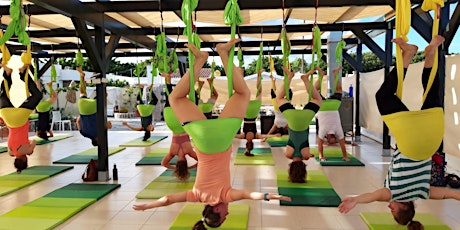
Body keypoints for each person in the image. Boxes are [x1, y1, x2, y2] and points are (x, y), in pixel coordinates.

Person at [133, 39, 291, 229]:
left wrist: (268, 196)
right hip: (201, 137)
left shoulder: (224, 195)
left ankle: (223, 52)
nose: (228, 212)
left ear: (216, 210)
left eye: (224, 216)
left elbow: (248, 195)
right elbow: (169, 199)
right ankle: (201, 59)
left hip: (221, 139)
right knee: (176, 97)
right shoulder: (197, 195)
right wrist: (148, 206)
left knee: (242, 94)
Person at [338, 36, 448, 229]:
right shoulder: (394, 193)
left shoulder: (423, 192)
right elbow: (373, 197)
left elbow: (449, 194)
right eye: (393, 210)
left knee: (432, 90)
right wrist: (355, 200)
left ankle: (430, 53)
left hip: (433, 139)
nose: (389, 206)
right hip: (411, 143)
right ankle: (409, 54)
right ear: (403, 206)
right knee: (384, 96)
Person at [277, 67, 322, 183]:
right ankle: (289, 77)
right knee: (279, 98)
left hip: (304, 120)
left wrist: (307, 155)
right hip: (292, 120)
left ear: (304, 168)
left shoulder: (306, 155)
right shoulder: (288, 154)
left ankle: (305, 79)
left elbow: (305, 150)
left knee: (317, 99)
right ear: (290, 168)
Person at [0, 63, 43, 173]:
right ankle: (7, 73)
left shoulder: (26, 151)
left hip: (19, 119)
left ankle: (23, 73)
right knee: (3, 94)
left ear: (25, 160)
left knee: (37, 96)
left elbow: (34, 141)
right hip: (7, 117)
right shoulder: (10, 152)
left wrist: (30, 150)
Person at [160, 71, 198, 181]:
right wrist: (173, 168)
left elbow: (201, 161)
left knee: (193, 104)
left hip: (183, 124)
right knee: (170, 98)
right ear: (177, 164)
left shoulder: (189, 152)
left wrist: (191, 167)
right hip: (172, 122)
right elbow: (164, 164)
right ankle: (168, 79)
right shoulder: (172, 153)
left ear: (186, 163)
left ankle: (191, 82)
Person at [314, 66, 350, 162]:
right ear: (327, 138)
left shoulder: (338, 132)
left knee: (338, 89)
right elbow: (320, 145)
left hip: (333, 106)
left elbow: (342, 145)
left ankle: (333, 74)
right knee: (314, 91)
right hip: (324, 107)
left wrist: (345, 156)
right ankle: (324, 75)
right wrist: (321, 156)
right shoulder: (324, 131)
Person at [76, 69, 112, 146]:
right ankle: (82, 76)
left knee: (104, 93)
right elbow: (78, 121)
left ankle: (97, 78)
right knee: (82, 92)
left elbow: (109, 124)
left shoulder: (100, 132)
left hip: (93, 109)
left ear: (97, 140)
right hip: (83, 109)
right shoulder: (84, 133)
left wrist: (108, 126)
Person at [237, 68, 264, 156]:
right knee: (241, 93)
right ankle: (240, 74)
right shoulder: (242, 137)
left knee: (259, 92)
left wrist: (276, 135)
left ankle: (259, 74)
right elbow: (232, 136)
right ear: (246, 144)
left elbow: (266, 136)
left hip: (253, 113)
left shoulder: (256, 136)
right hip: (246, 112)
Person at [262, 74, 290, 141]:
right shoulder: (276, 124)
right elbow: (270, 132)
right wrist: (264, 138)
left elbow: (292, 133)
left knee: (286, 94)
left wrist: (264, 139)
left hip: (284, 107)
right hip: (277, 107)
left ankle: (285, 81)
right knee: (273, 94)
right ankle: (274, 80)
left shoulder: (287, 125)